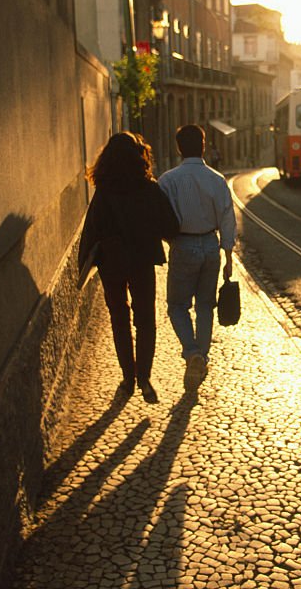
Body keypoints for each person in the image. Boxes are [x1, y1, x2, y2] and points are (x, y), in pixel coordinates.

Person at [78, 132, 180, 402]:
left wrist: (83, 264)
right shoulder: (149, 188)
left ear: (108, 159)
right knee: (145, 320)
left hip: (111, 264)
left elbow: (92, 230)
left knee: (119, 319)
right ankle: (145, 378)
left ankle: (127, 379)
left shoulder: (104, 192)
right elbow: (171, 225)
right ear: (140, 156)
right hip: (142, 260)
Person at [158, 124, 236, 384]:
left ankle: (192, 354)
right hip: (211, 246)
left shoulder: (167, 181)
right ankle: (201, 357)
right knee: (205, 305)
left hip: (183, 244)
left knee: (177, 306)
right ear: (203, 146)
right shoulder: (216, 179)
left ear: (179, 148)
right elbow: (227, 218)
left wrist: (170, 241)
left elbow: (162, 218)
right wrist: (228, 256)